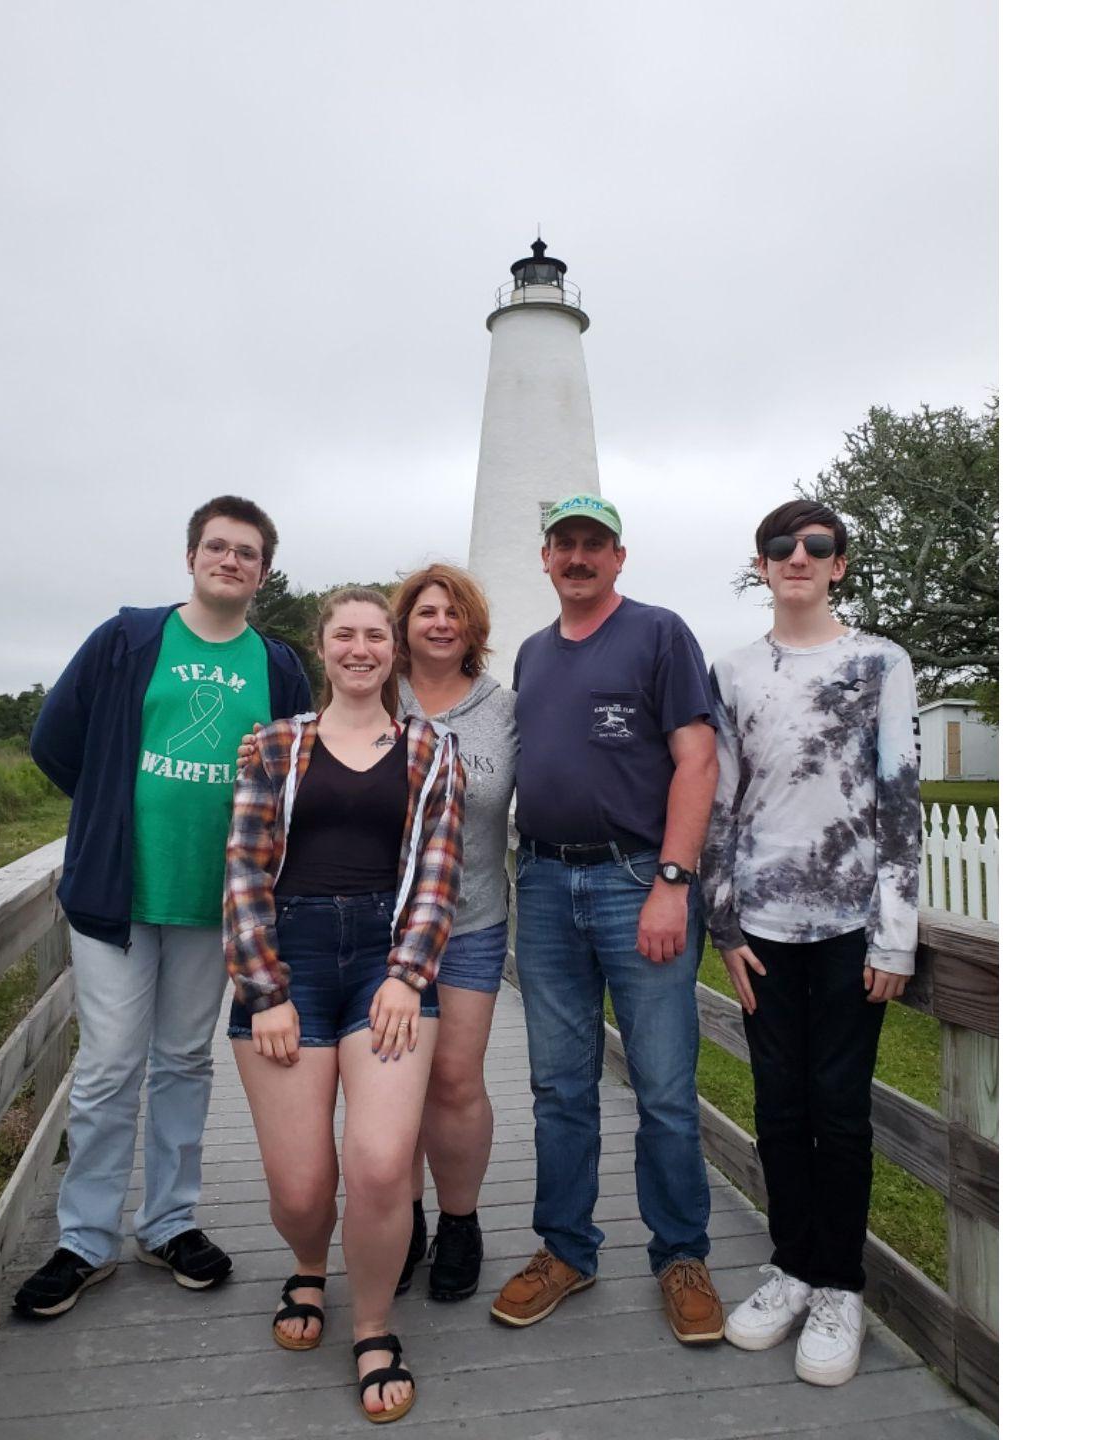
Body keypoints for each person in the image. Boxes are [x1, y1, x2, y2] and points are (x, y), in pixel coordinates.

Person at [12, 496, 312, 1319]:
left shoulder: (278, 665)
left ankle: (169, 1222)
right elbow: (53, 740)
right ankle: (85, 1239)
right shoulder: (128, 639)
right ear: (191, 557)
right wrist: (106, 810)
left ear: (263, 571)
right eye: (217, 546)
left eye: (247, 552)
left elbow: (301, 769)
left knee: (183, 1060)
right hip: (118, 897)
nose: (230, 560)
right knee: (110, 1064)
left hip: (214, 901)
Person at [224, 586, 465, 1424]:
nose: (360, 649)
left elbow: (438, 871)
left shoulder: (431, 749)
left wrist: (407, 974)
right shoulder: (275, 745)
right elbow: (244, 869)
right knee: (300, 1189)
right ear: (321, 647)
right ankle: (306, 1266)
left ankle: (371, 1324)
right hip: (287, 954)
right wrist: (265, 990)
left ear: (394, 650)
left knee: (380, 1164)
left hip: (382, 958)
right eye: (345, 635)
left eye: (375, 636)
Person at [490, 492, 726, 1347]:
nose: (580, 557)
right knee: (559, 1086)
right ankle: (566, 1249)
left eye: (596, 543)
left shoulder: (659, 633)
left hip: (637, 880)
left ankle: (682, 1255)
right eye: (566, 544)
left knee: (663, 1087)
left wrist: (673, 880)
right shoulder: (531, 653)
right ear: (546, 558)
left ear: (619, 556)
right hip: (545, 881)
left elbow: (697, 759)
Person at [701, 499, 921, 1387]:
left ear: (838, 564)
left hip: (850, 928)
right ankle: (792, 1267)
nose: (799, 556)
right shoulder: (731, 670)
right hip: (761, 929)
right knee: (778, 1106)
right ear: (761, 565)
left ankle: (840, 1286)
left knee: (839, 1107)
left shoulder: (881, 662)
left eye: (817, 545)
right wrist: (723, 923)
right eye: (781, 545)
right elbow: (720, 802)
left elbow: (900, 801)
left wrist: (895, 937)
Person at [392, 565, 517, 1301]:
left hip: (471, 922)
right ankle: (401, 1220)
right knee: (393, 1078)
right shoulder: (378, 692)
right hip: (383, 926)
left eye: (453, 613)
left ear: (473, 628)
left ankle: (460, 1222)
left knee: (454, 1079)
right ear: (404, 625)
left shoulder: (505, 709)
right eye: (426, 612)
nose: (440, 624)